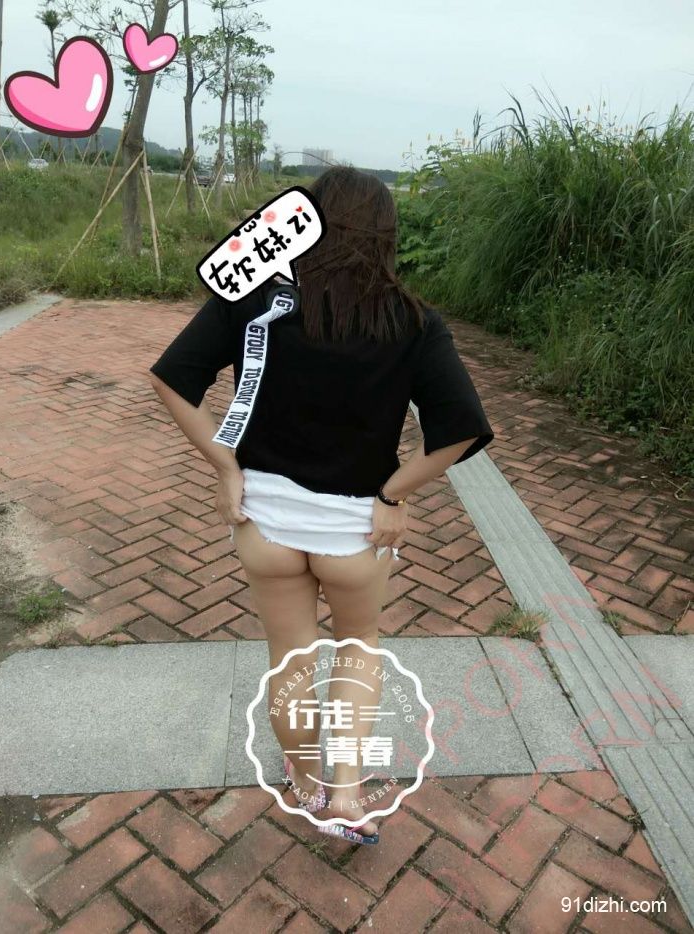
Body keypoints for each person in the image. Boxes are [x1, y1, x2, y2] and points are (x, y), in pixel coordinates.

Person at [148, 166, 494, 845]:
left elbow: (170, 380)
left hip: (266, 525)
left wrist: (225, 465)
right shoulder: (413, 322)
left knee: (292, 660)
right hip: (356, 532)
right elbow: (462, 430)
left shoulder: (253, 296)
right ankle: (347, 795)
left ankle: (305, 782)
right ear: (386, 235)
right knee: (359, 647)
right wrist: (395, 493)